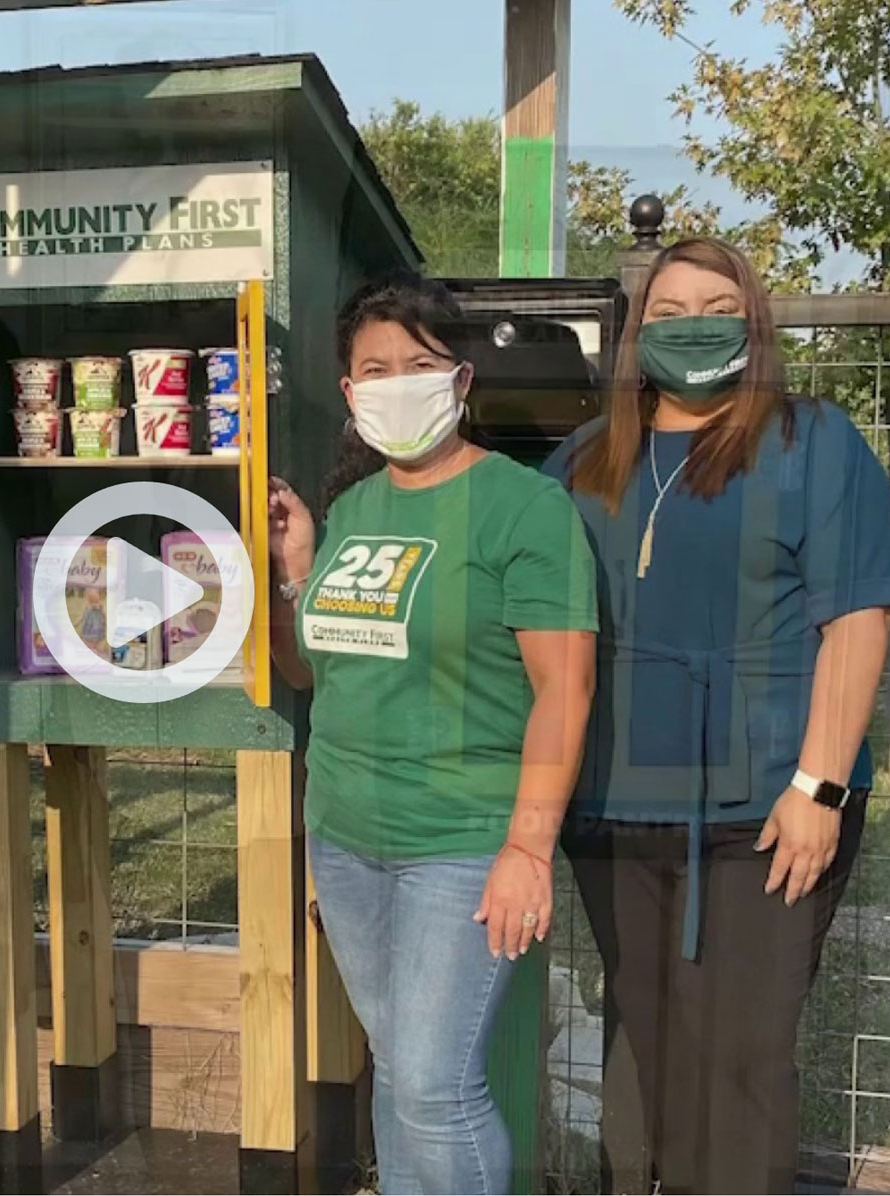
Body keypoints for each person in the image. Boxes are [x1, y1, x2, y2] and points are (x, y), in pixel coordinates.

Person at [542, 235, 890, 1194]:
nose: (689, 324)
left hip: (768, 808)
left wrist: (819, 786)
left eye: (715, 306)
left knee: (740, 1065)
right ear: (635, 334)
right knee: (653, 1051)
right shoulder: (582, 460)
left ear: (752, 324)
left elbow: (858, 620)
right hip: (617, 806)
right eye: (666, 311)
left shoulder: (813, 441)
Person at [266, 272, 597, 1194]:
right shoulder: (358, 509)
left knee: (434, 1086)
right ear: (349, 391)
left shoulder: (525, 509)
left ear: (460, 380)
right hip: (345, 836)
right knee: (400, 1071)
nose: (396, 381)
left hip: (463, 841)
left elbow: (565, 691)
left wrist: (528, 848)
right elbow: (313, 672)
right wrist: (297, 573)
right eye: (375, 367)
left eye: (419, 362)